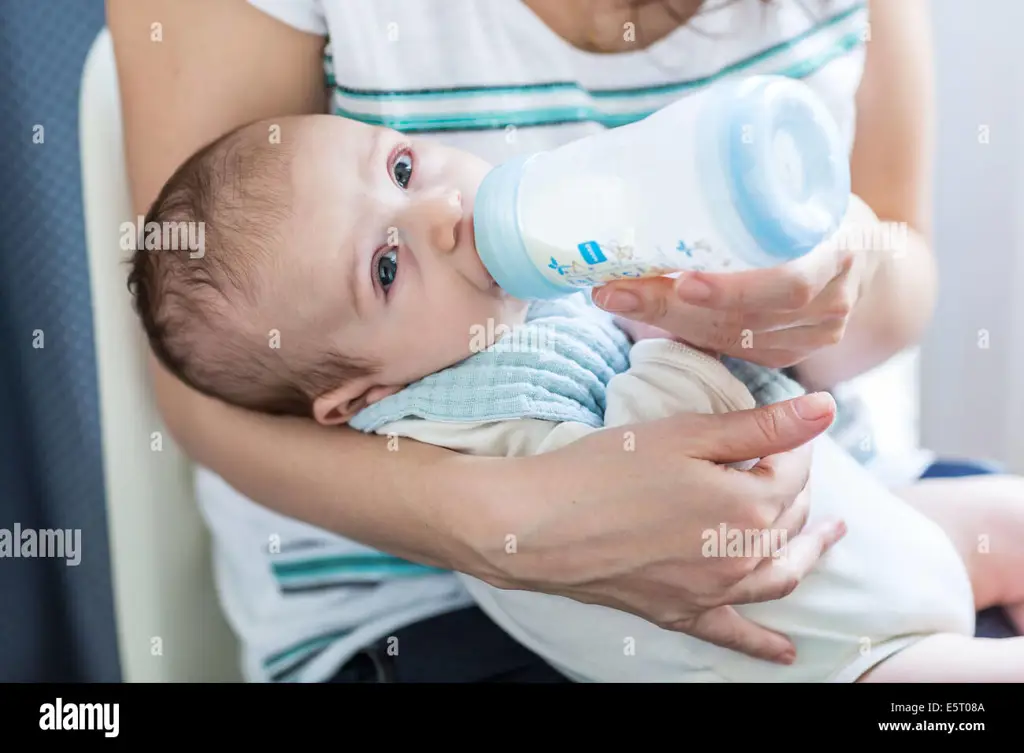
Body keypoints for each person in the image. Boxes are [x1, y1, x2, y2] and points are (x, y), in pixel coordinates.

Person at [107, 0, 1003, 682]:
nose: (443, 214)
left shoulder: (526, 307)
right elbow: (202, 384)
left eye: (404, 166)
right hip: (790, 643)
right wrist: (508, 514)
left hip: (838, 498)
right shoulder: (471, 417)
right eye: (385, 268)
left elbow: (900, 263)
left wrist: (833, 274)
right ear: (360, 399)